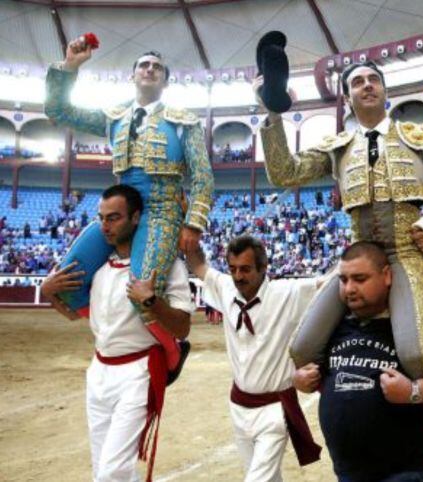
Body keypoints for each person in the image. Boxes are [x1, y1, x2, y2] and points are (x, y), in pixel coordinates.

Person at [258, 60, 423, 379]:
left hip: (406, 256)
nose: (368, 85)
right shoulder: (338, 147)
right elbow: (283, 173)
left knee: (416, 355)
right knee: (302, 350)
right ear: (348, 98)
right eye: (358, 82)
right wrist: (273, 114)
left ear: (385, 90)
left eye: (374, 79)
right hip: (356, 260)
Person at [44, 36, 214, 373]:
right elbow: (58, 110)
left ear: (165, 81)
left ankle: (173, 350)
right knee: (66, 282)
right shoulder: (115, 116)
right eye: (143, 65)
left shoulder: (184, 121)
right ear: (133, 75)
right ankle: (113, 333)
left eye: (157, 67)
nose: (150, 69)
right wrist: (70, 68)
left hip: (163, 212)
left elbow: (202, 178)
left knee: (142, 291)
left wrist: (193, 224)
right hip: (121, 211)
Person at [293, 241, 423, 482]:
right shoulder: (334, 325)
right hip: (348, 471)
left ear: (386, 276)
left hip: (403, 469)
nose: (349, 288)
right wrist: (298, 379)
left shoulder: (418, 321)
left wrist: (414, 391)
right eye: (343, 280)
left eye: (360, 279)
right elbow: (311, 370)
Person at [40, 184, 194, 481]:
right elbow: (73, 315)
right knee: (105, 468)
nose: (105, 226)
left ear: (136, 218)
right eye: (101, 218)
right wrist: (48, 293)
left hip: (139, 373)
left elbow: (182, 327)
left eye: (114, 218)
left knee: (112, 472)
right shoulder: (97, 270)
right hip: (99, 371)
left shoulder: (165, 266)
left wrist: (152, 301)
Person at [184, 235, 322, 481]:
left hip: (274, 410)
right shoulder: (227, 287)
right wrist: (190, 244)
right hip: (238, 406)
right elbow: (199, 267)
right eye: (233, 269)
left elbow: (329, 283)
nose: (238, 276)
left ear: (263, 267)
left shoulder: (288, 293)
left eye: (246, 269)